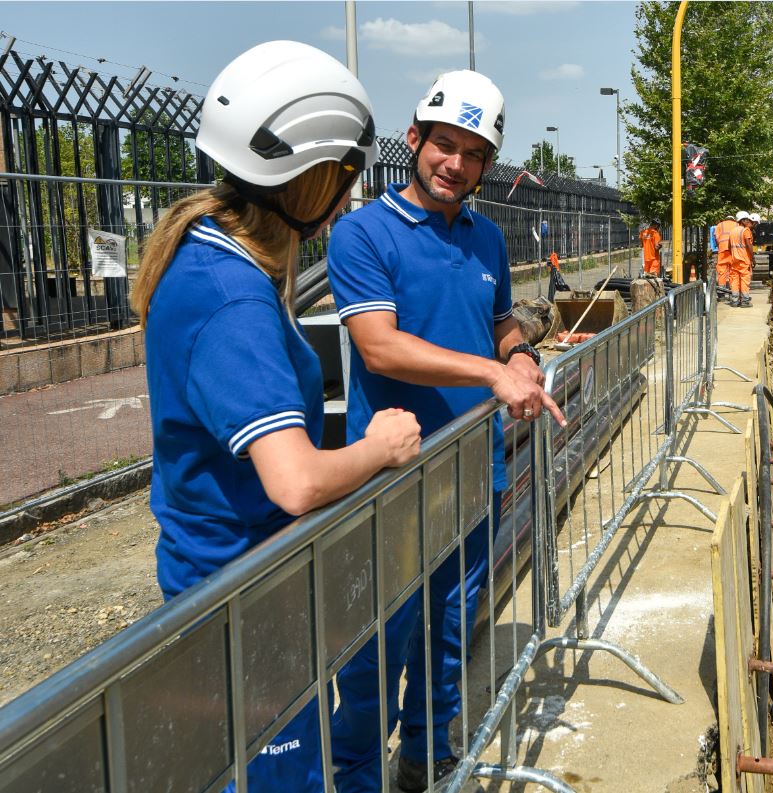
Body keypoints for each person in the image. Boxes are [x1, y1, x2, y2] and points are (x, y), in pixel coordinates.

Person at [132, 41, 422, 792]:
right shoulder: (233, 298)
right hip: (241, 602)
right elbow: (292, 481)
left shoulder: (206, 253)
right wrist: (380, 445)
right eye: (347, 176)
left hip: (234, 586)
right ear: (316, 180)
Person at [325, 69, 566, 793]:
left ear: (487, 165)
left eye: (471, 152)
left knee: (451, 632)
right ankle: (360, 776)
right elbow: (379, 345)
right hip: (393, 478)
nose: (454, 163)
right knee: (378, 643)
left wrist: (518, 356)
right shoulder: (363, 233)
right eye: (443, 145)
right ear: (414, 139)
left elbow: (497, 325)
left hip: (471, 470)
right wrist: (492, 378)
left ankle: (426, 758)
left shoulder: (486, 239)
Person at [729, 211, 755, 307]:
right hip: (744, 260)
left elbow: (729, 246)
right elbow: (749, 245)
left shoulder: (732, 231)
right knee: (744, 280)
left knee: (734, 280)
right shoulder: (745, 231)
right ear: (743, 220)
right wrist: (753, 258)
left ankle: (735, 301)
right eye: (747, 220)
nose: (748, 222)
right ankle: (744, 301)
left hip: (734, 260)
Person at [714, 213, 736, 298]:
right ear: (733, 219)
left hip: (723, 250)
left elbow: (716, 238)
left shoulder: (719, 225)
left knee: (721, 270)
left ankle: (721, 293)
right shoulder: (737, 224)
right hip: (733, 250)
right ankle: (733, 292)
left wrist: (719, 246)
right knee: (733, 270)